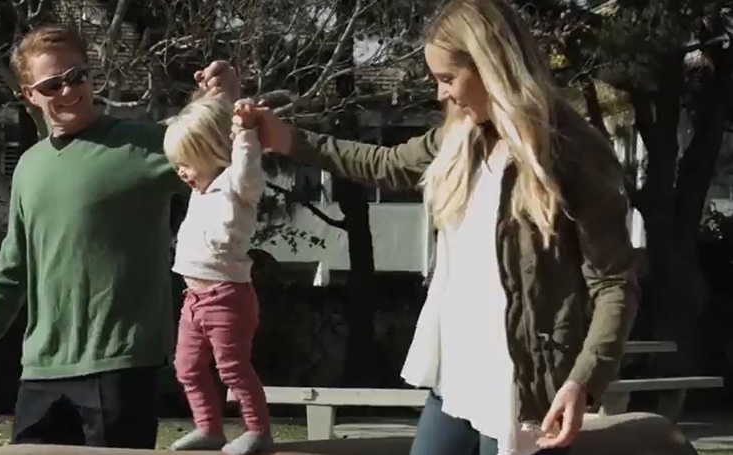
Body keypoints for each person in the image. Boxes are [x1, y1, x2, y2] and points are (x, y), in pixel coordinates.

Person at [203, 0, 639, 453]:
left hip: (522, 392)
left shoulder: (572, 154)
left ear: (492, 66)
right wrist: (288, 138)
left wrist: (582, 381)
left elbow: (613, 284)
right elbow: (382, 163)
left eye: (448, 79)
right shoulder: (456, 138)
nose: (440, 94)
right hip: (453, 380)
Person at [0, 25, 239, 449]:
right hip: (41, 372)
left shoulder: (145, 145)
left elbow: (224, 155)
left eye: (77, 75)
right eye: (52, 84)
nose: (68, 90)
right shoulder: (29, 167)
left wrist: (225, 99)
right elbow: (13, 264)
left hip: (120, 367)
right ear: (30, 94)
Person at [162, 92, 273, 455]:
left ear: (210, 152)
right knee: (186, 367)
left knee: (233, 369)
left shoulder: (236, 188)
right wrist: (210, 96)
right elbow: (206, 117)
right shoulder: (201, 191)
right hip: (193, 301)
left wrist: (244, 131)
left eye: (186, 163)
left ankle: (258, 431)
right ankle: (209, 428)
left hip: (227, 298)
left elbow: (244, 160)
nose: (181, 172)